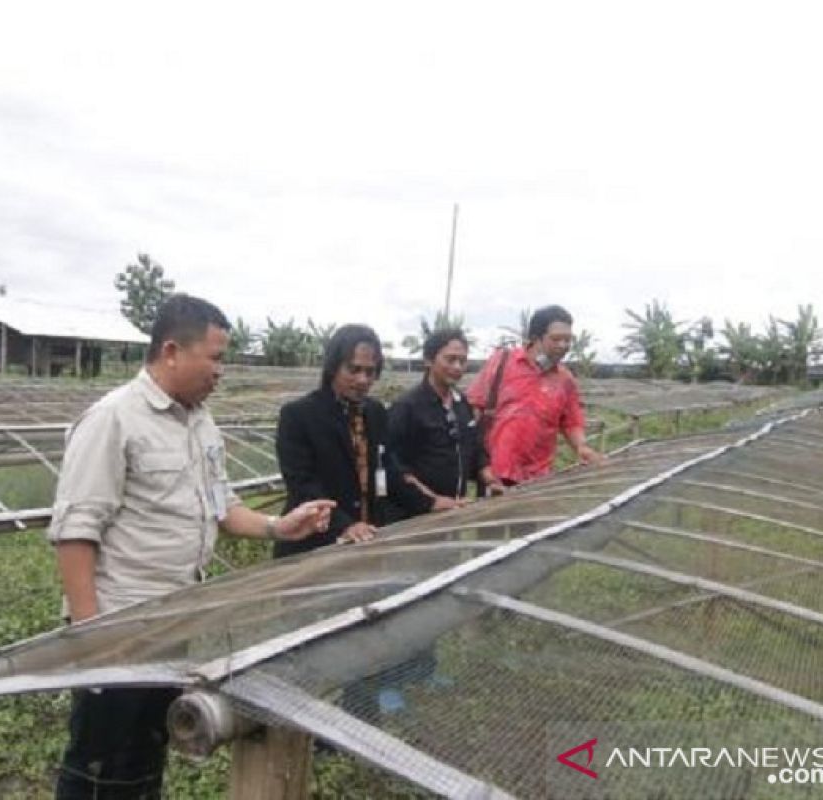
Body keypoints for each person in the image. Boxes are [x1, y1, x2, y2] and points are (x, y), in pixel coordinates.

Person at [48, 294, 333, 799]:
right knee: (101, 762)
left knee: (144, 752)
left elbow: (222, 507)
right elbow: (76, 532)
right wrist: (93, 640)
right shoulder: (114, 419)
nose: (222, 371)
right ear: (172, 351)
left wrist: (278, 527)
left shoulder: (200, 422)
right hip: (122, 625)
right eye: (217, 357)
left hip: (174, 619)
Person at [273, 323, 431, 559]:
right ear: (333, 367)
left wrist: (430, 503)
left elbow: (388, 469)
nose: (363, 379)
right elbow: (303, 484)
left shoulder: (374, 412)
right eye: (354, 369)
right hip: (315, 544)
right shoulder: (299, 415)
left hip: (367, 540)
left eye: (370, 371)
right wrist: (344, 525)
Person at [467, 304, 603, 486]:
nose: (563, 346)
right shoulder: (502, 362)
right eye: (556, 339)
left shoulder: (565, 380)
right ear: (535, 338)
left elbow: (572, 422)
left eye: (567, 340)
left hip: (538, 478)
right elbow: (474, 406)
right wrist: (476, 460)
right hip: (495, 473)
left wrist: (582, 447)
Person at [388, 327, 504, 513]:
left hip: (453, 512)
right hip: (415, 516)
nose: (458, 367)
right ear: (428, 360)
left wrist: (490, 480)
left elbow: (474, 450)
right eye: (450, 359)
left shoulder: (462, 404)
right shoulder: (407, 407)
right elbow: (394, 466)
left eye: (462, 361)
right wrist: (432, 501)